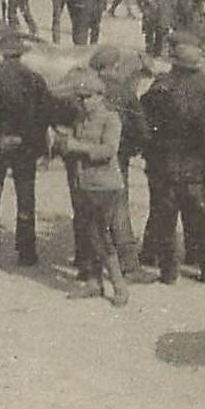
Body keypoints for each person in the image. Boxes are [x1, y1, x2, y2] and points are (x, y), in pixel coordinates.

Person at [139, 39, 205, 284]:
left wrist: (149, 153)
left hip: (162, 166)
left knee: (164, 218)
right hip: (195, 168)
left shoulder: (158, 90)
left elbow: (142, 124)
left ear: (174, 65)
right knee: (200, 219)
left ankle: (169, 272)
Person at [0, 33, 56, 264]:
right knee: (26, 195)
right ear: (21, 54)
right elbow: (44, 115)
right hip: (25, 146)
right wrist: (35, 142)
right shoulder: (35, 80)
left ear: (2, 53)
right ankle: (27, 251)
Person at [51, 72, 130, 307]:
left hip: (105, 186)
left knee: (99, 234)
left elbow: (108, 150)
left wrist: (77, 146)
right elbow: (71, 148)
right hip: (84, 183)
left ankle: (119, 286)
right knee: (87, 232)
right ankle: (95, 282)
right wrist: (60, 143)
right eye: (81, 98)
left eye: (88, 97)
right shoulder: (80, 119)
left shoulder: (111, 119)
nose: (84, 102)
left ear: (100, 97)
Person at [89, 46, 148, 275]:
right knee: (119, 206)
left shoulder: (85, 87)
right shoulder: (124, 91)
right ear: (115, 66)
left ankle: (87, 260)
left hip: (86, 157)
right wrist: (131, 149)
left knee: (88, 207)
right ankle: (128, 262)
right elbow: (141, 128)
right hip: (116, 156)